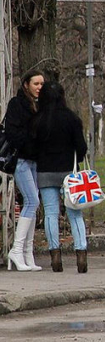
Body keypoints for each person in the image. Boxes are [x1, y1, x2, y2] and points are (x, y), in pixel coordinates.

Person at [32, 81, 89, 273]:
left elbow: (32, 148)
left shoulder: (38, 120)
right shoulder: (71, 119)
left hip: (46, 171)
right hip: (69, 173)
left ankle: (55, 255)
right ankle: (81, 254)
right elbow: (81, 148)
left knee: (50, 214)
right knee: (75, 213)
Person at [4, 70, 44, 271]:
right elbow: (12, 132)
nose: (39, 87)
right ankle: (17, 250)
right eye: (36, 83)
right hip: (21, 159)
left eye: (41, 84)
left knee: (33, 202)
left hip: (35, 159)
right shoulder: (17, 104)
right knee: (32, 200)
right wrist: (30, 141)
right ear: (26, 84)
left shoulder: (40, 105)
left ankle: (27, 252)